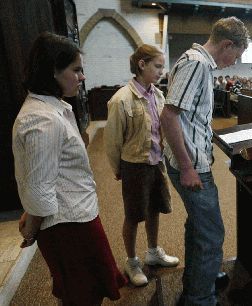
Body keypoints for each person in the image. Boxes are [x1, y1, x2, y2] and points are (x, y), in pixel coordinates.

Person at [12, 32, 126, 305]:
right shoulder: (43, 119)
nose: (82, 77)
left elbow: (45, 171)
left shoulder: (55, 108)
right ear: (53, 71)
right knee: (81, 294)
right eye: (76, 70)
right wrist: (32, 225)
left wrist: (30, 212)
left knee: (88, 290)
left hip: (77, 213)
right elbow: (40, 188)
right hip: (67, 224)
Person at [160, 16, 249, 305]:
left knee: (199, 229)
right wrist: (187, 167)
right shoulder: (197, 64)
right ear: (227, 44)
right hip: (191, 165)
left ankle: (197, 282)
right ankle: (200, 299)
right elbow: (169, 116)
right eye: (237, 54)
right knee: (211, 235)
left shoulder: (195, 60)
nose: (235, 62)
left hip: (190, 160)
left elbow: (189, 118)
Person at [104, 44, 179, 287]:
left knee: (155, 208)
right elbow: (113, 141)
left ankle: (153, 252)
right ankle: (132, 260)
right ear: (141, 64)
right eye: (157, 66)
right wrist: (118, 169)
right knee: (133, 215)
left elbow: (161, 130)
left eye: (162, 66)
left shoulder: (157, 94)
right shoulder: (121, 99)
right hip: (134, 165)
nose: (161, 71)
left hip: (156, 163)